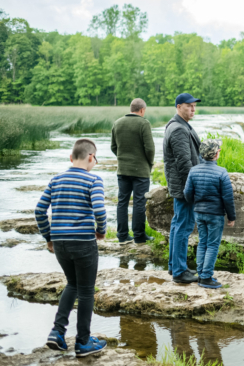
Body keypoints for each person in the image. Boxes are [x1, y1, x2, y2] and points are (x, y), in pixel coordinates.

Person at [34, 138, 108, 357]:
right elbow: (100, 211)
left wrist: (49, 237)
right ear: (91, 157)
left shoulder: (55, 180)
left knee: (72, 284)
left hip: (60, 243)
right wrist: (101, 230)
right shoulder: (93, 180)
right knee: (86, 291)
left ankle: (57, 332)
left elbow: (39, 211)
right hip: (83, 242)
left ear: (70, 157)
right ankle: (83, 342)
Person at [183, 139, 236, 289]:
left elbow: (187, 193)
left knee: (203, 243)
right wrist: (231, 217)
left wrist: (196, 203)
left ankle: (201, 274)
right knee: (212, 245)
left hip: (199, 213)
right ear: (217, 153)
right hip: (215, 215)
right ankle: (206, 277)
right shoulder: (221, 172)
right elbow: (228, 198)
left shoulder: (194, 170)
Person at [164, 92, 202, 284]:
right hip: (184, 186)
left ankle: (174, 266)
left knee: (178, 224)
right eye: (189, 106)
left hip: (181, 185)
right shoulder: (178, 129)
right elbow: (184, 163)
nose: (193, 108)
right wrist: (194, 187)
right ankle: (179, 271)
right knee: (183, 226)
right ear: (179, 107)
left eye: (194, 105)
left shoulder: (180, 125)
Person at [111, 98, 155, 245]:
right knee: (139, 202)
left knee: (122, 202)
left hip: (122, 170)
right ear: (142, 110)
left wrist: (122, 158)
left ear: (131, 108)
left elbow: (113, 146)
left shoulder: (117, 123)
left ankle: (122, 236)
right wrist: (149, 162)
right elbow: (149, 148)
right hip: (141, 171)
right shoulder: (144, 123)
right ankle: (139, 236)